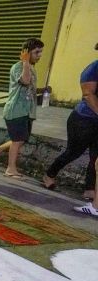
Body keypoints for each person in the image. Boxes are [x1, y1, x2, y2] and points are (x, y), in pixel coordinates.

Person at [0, 39, 43, 178]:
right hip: (16, 110)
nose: (39, 55)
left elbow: (30, 88)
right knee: (17, 141)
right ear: (27, 53)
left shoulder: (31, 68)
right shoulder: (18, 67)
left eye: (40, 52)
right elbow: (25, 81)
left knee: (22, 139)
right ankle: (10, 169)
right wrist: (25, 63)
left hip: (27, 111)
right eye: (36, 52)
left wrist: (43, 90)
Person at [46, 56, 98, 201]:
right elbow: (88, 94)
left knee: (96, 157)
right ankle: (49, 174)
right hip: (83, 119)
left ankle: (90, 189)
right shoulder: (93, 68)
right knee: (73, 152)